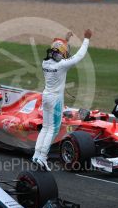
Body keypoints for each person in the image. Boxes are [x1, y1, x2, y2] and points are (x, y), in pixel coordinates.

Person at [32, 29, 92, 171]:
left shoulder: (45, 63)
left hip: (46, 96)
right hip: (55, 99)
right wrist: (86, 39)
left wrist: (65, 40)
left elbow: (58, 51)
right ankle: (42, 157)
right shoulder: (61, 65)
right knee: (53, 128)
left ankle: (36, 154)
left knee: (45, 127)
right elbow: (79, 56)